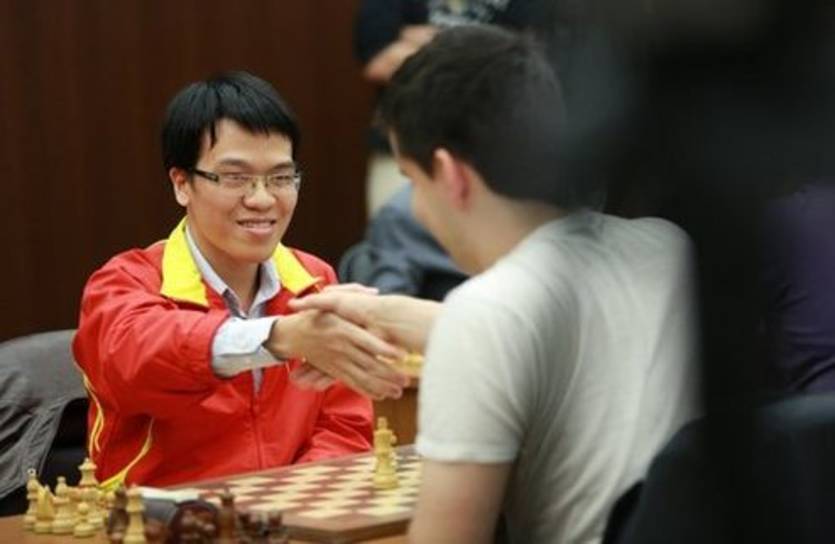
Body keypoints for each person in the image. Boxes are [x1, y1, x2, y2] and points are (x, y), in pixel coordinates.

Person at [291, 26, 699, 543]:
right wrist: (384, 313)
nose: (415, 207)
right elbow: (547, 331)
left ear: (450, 174)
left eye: (412, 181)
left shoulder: (485, 314)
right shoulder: (668, 249)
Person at [72, 72, 408, 488]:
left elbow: (345, 426)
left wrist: (285, 501)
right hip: (165, 516)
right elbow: (138, 358)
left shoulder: (315, 281)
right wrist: (280, 337)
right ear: (182, 184)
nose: (262, 199)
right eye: (235, 178)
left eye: (281, 177)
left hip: (287, 512)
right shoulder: (125, 281)